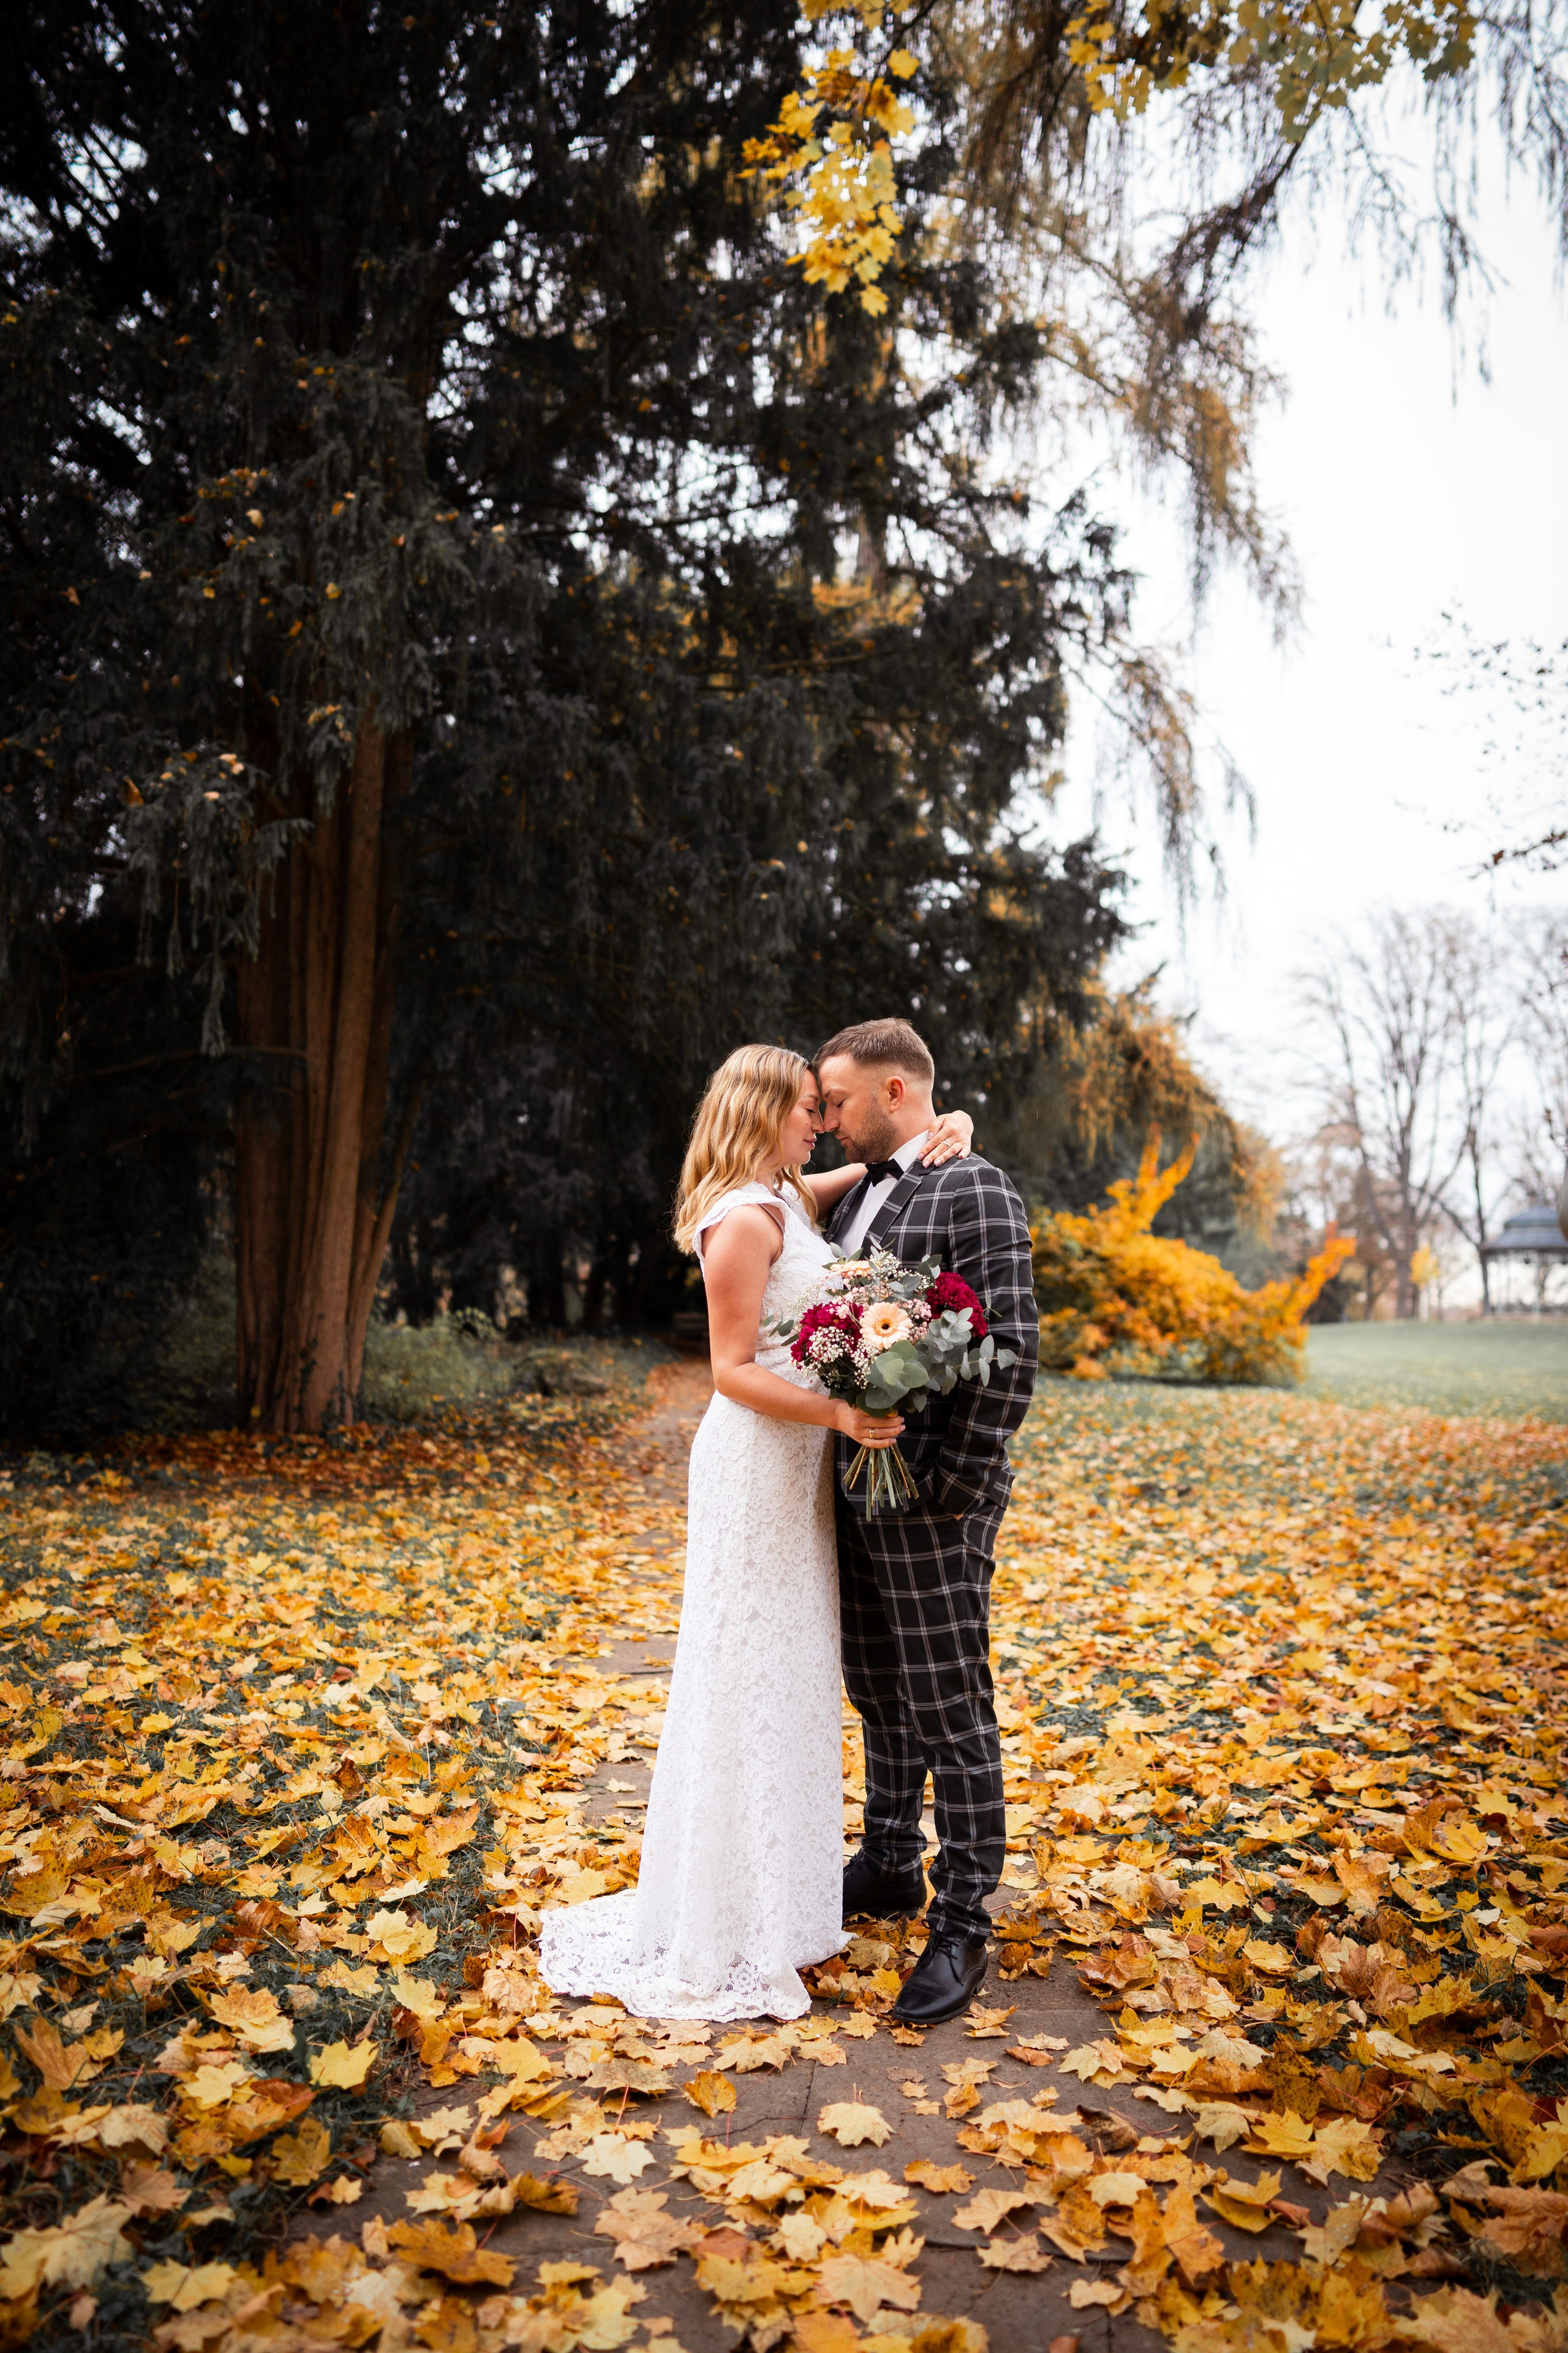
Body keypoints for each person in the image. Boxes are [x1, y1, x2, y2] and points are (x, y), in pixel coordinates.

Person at [537, 1044, 974, 2021]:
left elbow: (866, 1166)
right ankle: (731, 1917)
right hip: (755, 1464)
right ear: (760, 1111)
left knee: (792, 1670)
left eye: (822, 1108)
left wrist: (952, 1126)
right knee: (748, 1671)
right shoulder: (739, 1217)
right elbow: (729, 1368)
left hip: (795, 1474)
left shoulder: (781, 1192)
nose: (817, 1121)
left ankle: (780, 1901)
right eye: (803, 1108)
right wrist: (840, 1418)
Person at [816, 1018, 1038, 2026]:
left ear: (897, 1090)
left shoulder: (974, 1183)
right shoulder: (860, 1193)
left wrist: (955, 1478)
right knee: (878, 1682)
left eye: (839, 1100)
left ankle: (963, 1918)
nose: (825, 1119)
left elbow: (1014, 1345)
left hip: (936, 1493)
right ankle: (893, 1860)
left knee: (951, 1697)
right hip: (858, 1484)